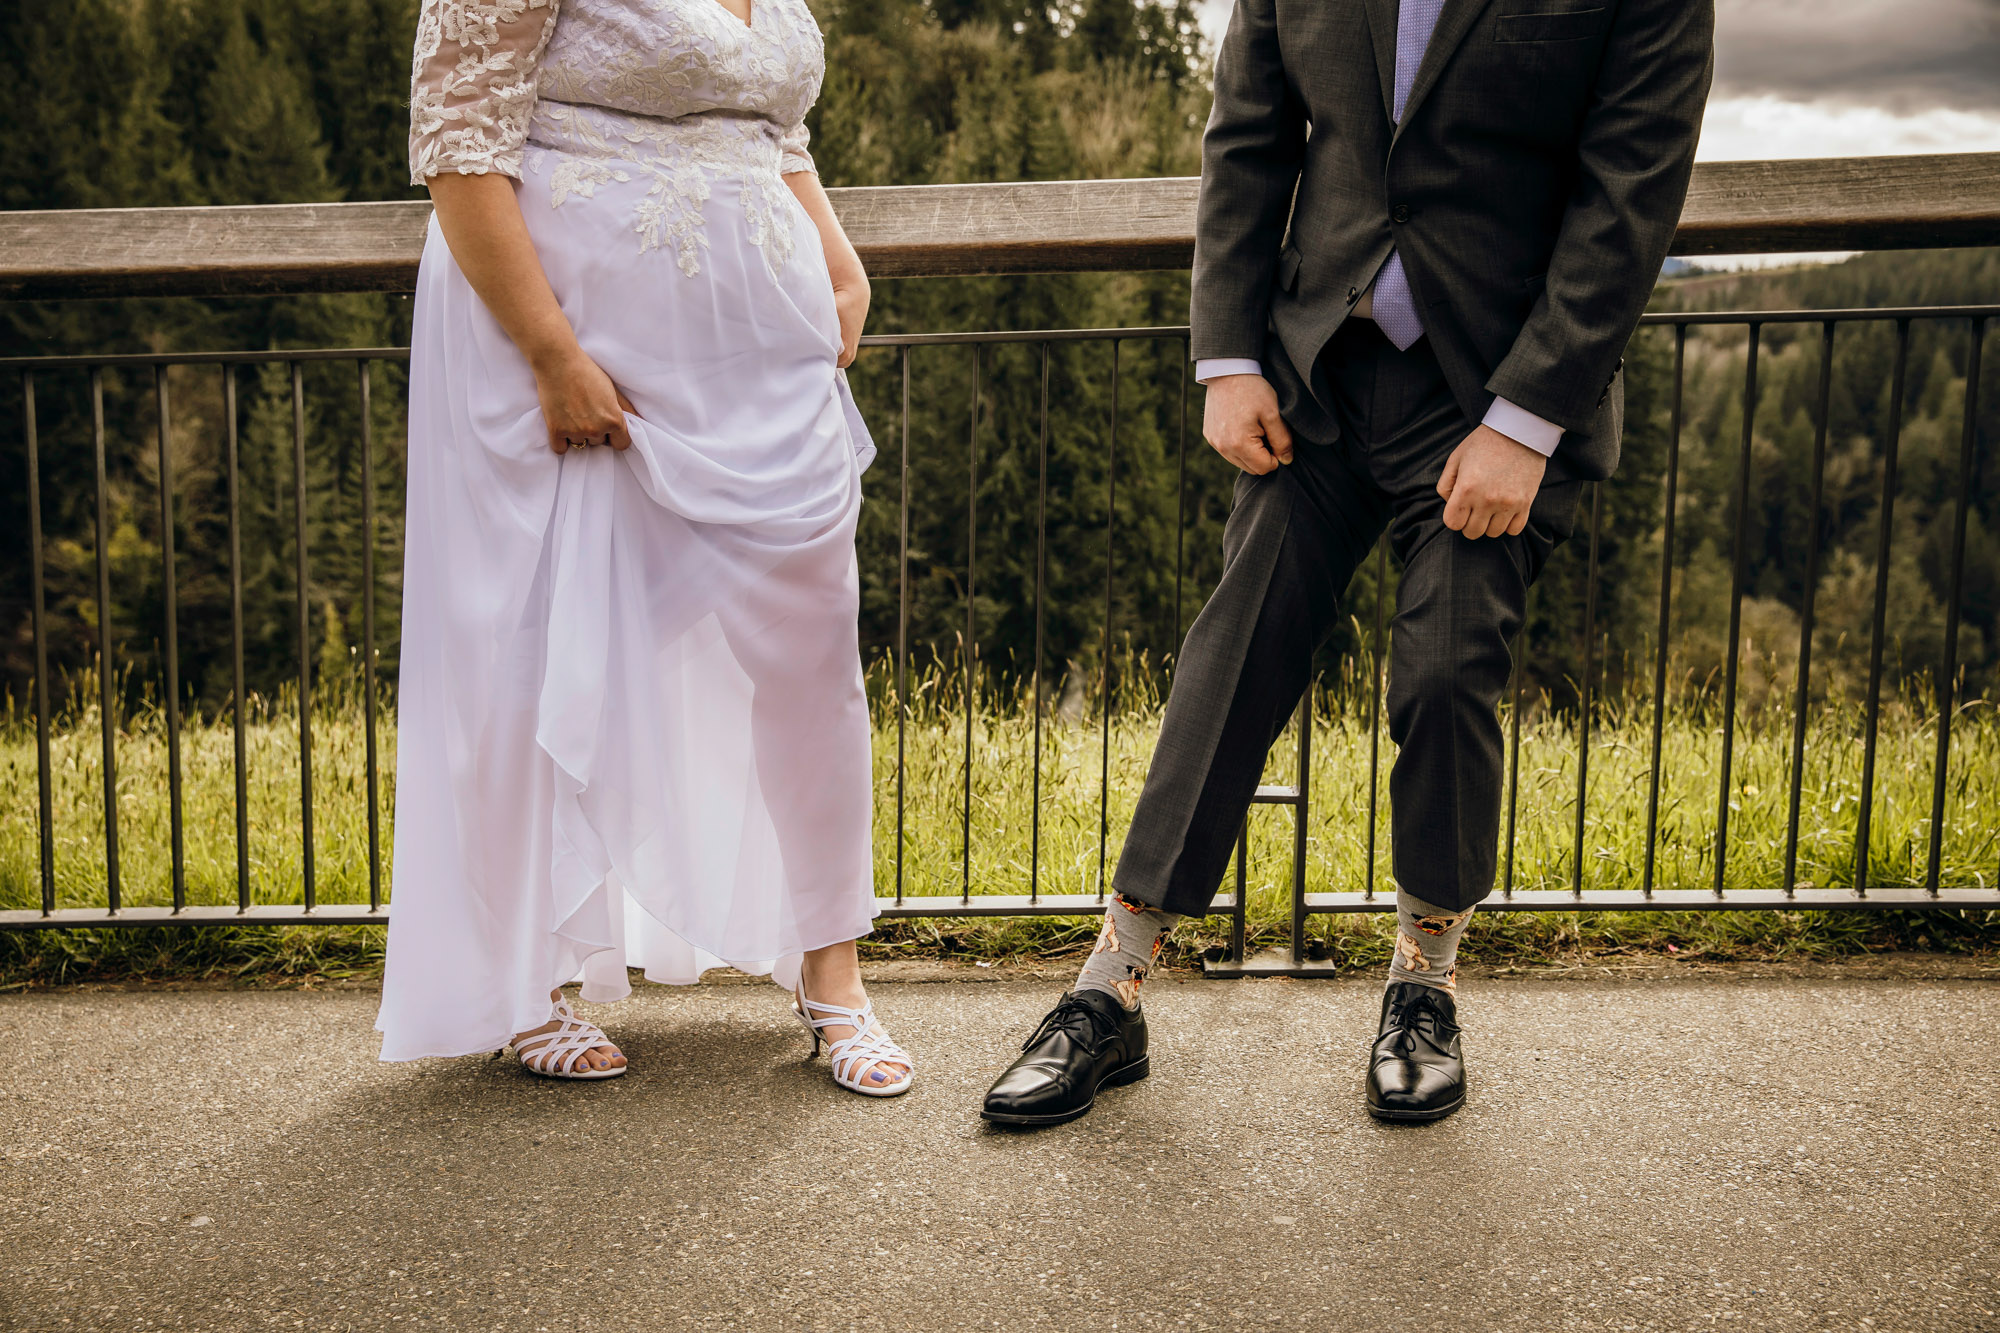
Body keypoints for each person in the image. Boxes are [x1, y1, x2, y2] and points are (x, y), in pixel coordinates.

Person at [984, 0, 1712, 1126]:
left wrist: (1524, 424)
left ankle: (1422, 985)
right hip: (1315, 374)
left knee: (1441, 672)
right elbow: (1250, 136)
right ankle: (1109, 989)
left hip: (1495, 393)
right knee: (1230, 661)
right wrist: (1226, 356)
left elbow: (1627, 197)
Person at [376, 0, 912, 1097]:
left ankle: (832, 973)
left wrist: (839, 261)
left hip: (762, 366)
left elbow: (772, 128)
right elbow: (460, 145)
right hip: (574, 354)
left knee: (813, 651)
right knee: (532, 640)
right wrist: (549, 350)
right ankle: (529, 977)